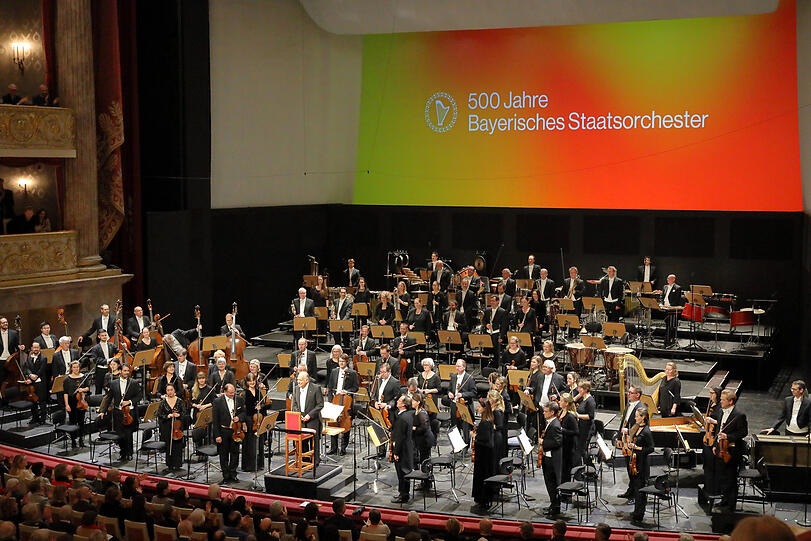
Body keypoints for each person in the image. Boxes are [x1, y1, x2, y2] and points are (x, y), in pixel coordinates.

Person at [711, 389, 748, 512]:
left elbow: (743, 432)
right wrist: (715, 444)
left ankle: (731, 505)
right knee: (722, 477)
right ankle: (724, 500)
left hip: (732, 451)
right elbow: (719, 429)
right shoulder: (722, 411)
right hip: (721, 448)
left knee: (731, 478)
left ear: (731, 401)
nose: (720, 401)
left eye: (723, 400)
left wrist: (729, 437)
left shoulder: (739, 415)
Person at [622, 407, 654, 524]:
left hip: (642, 463)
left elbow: (651, 448)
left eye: (637, 416)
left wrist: (638, 448)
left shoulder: (646, 431)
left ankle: (639, 515)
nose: (635, 418)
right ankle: (636, 511)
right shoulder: (637, 428)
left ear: (643, 417)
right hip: (635, 461)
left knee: (640, 490)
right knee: (636, 488)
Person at [212, 383, 246, 483]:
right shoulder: (217, 401)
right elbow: (215, 420)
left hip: (236, 431)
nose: (233, 394)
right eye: (230, 393)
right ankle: (226, 476)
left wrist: (239, 418)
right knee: (224, 454)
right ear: (225, 392)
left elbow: (244, 412)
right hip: (223, 431)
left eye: (234, 392)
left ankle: (233, 474)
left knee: (235, 453)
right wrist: (217, 435)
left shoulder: (239, 399)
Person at [106, 363, 140, 461]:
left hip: (130, 412)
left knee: (128, 433)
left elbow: (139, 396)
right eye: (124, 371)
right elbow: (109, 398)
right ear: (120, 371)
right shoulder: (113, 383)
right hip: (118, 412)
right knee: (120, 433)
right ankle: (122, 453)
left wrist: (129, 402)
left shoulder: (133, 382)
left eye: (128, 371)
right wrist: (103, 411)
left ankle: (129, 453)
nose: (126, 373)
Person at [326, 354, 358, 455]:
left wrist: (347, 392)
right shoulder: (334, 371)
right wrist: (331, 400)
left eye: (343, 362)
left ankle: (343, 448)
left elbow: (355, 388)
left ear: (347, 362)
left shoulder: (352, 373)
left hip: (346, 401)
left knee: (345, 424)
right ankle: (333, 447)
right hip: (335, 400)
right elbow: (331, 386)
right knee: (333, 423)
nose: (341, 363)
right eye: (340, 361)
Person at [291, 372, 323, 466]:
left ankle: (315, 463)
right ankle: (304, 462)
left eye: (300, 380)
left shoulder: (316, 388)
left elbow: (320, 404)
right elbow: (295, 404)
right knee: (303, 443)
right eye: (298, 380)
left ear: (307, 380)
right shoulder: (296, 389)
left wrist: (309, 415)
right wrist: (298, 414)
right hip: (300, 419)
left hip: (312, 419)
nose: (298, 382)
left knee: (313, 442)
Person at [471, 399, 495, 514]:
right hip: (485, 455)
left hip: (483, 456)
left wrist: (474, 436)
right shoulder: (487, 420)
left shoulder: (485, 422)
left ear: (485, 408)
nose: (477, 409)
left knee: (482, 476)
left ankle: (483, 500)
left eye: (479, 407)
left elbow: (484, 439)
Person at [390, 394, 415, 503]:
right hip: (407, 447)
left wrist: (396, 452)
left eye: (399, 401)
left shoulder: (402, 419)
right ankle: (402, 492)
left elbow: (400, 437)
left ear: (404, 405)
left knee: (402, 473)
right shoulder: (408, 414)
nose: (397, 401)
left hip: (402, 449)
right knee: (403, 472)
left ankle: (404, 495)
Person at [541, 402, 563, 516]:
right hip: (548, 457)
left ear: (552, 412)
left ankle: (555, 507)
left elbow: (558, 441)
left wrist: (543, 442)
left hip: (552, 460)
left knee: (552, 484)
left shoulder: (555, 424)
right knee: (550, 484)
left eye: (545, 411)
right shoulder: (551, 423)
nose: (543, 413)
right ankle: (553, 505)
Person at [447, 359, 477, 444]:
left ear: (464, 367)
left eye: (459, 366)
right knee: (454, 426)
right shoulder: (453, 377)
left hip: (465, 405)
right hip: (454, 404)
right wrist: (449, 393)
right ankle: (457, 445)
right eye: (456, 366)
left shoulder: (469, 378)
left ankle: (466, 446)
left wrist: (462, 395)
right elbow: (449, 389)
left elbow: (473, 393)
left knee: (465, 427)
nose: (457, 368)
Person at [158, 383, 187, 472]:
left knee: (177, 445)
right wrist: (168, 416)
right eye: (168, 390)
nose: (170, 392)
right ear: (166, 392)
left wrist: (178, 414)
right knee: (168, 445)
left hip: (177, 426)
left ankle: (177, 464)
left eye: (171, 390)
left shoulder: (179, 401)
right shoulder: (163, 402)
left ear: (174, 391)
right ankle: (170, 464)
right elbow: (159, 414)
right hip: (167, 426)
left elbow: (184, 413)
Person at [62, 361, 90, 448]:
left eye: (77, 367)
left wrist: (82, 389)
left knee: (81, 422)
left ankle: (81, 440)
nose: (76, 369)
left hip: (81, 401)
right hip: (72, 402)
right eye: (74, 367)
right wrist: (67, 405)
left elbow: (88, 388)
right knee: (73, 421)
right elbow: (65, 393)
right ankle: (73, 440)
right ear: (71, 368)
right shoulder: (67, 379)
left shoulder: (83, 377)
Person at [241, 373, 265, 471]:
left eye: (253, 380)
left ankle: (258, 464)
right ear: (246, 382)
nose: (252, 382)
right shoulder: (244, 393)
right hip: (248, 419)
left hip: (258, 420)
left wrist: (261, 406)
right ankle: (249, 466)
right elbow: (243, 409)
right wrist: (243, 422)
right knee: (250, 443)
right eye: (250, 381)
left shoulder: (259, 391)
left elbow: (263, 404)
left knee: (259, 442)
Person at [20, 341, 48, 424]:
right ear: (32, 348)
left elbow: (41, 371)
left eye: (37, 347)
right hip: (32, 382)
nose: (35, 349)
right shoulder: (29, 357)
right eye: (34, 347)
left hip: (40, 382)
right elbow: (26, 368)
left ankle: (43, 419)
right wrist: (30, 374)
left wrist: (32, 378)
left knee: (42, 401)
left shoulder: (43, 358)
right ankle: (34, 418)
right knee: (33, 401)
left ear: (39, 348)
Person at [88, 329, 118, 394]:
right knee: (99, 387)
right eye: (102, 335)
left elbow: (118, 351)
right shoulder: (95, 348)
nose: (104, 337)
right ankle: (99, 403)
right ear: (99, 336)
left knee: (111, 387)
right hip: (100, 369)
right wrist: (106, 361)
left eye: (105, 335)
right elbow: (95, 359)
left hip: (110, 369)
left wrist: (124, 347)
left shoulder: (111, 345)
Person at [558, 393, 579, 483]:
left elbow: (575, 432)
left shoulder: (571, 416)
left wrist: (562, 430)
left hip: (568, 447)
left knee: (566, 470)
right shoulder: (561, 412)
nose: (559, 402)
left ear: (566, 403)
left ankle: (567, 493)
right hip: (562, 444)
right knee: (562, 469)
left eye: (561, 401)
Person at [574, 379, 596, 464]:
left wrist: (578, 415)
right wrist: (579, 395)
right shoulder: (583, 398)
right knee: (579, 448)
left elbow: (590, 416)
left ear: (586, 389)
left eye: (581, 388)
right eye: (579, 388)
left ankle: (589, 467)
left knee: (582, 449)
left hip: (586, 428)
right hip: (581, 426)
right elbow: (572, 401)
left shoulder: (590, 401)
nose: (579, 390)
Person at [411, 392, 435, 470]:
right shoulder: (416, 411)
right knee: (420, 458)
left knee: (424, 460)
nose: (412, 402)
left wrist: (414, 428)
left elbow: (424, 427)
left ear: (418, 402)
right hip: (420, 438)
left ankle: (425, 478)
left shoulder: (422, 413)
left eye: (413, 401)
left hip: (425, 439)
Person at [658, 274, 682, 347]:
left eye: (669, 279)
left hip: (671, 308)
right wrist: (661, 303)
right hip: (664, 307)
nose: (667, 280)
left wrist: (670, 305)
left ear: (673, 279)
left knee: (671, 324)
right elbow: (662, 296)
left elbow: (677, 299)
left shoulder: (677, 288)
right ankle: (666, 339)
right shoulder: (665, 287)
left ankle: (670, 339)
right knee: (666, 323)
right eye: (667, 278)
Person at [488, 389, 508, 467]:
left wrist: (489, 425)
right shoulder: (493, 408)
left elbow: (500, 426)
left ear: (493, 399)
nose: (488, 400)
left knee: (496, 457)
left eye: (489, 398)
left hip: (497, 437)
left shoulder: (497, 411)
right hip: (495, 435)